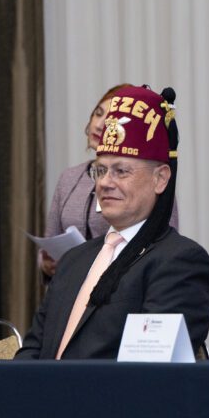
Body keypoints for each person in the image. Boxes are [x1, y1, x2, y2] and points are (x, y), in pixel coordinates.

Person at [17, 85, 209, 359]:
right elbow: (32, 351)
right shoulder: (73, 261)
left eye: (121, 171)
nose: (106, 183)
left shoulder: (179, 262)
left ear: (160, 179)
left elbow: (149, 372)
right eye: (100, 170)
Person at [40, 84, 179, 278]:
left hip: (121, 284)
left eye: (121, 171)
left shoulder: (148, 179)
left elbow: (163, 243)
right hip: (69, 284)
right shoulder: (69, 178)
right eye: (98, 113)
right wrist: (47, 264)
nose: (99, 125)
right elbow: (50, 238)